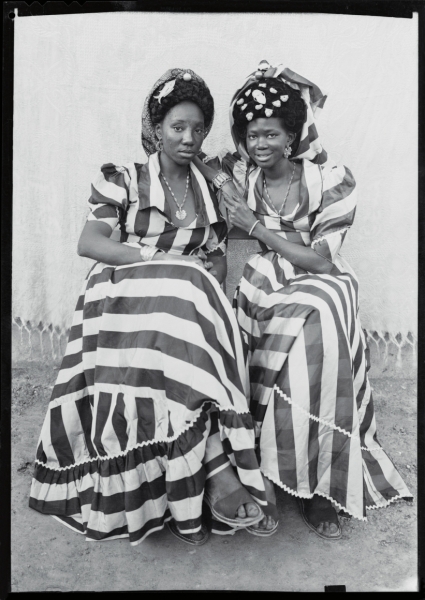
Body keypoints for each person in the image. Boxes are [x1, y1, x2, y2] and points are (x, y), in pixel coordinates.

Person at [29, 68, 268, 547]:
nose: (188, 137)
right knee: (185, 284)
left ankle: (202, 465)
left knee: (194, 293)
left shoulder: (210, 189)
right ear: (156, 129)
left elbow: (217, 259)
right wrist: (161, 260)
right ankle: (218, 467)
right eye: (178, 127)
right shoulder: (123, 178)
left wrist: (201, 276)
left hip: (181, 304)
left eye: (198, 129)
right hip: (120, 295)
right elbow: (90, 242)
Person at [194, 61, 412, 539]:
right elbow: (190, 155)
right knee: (291, 321)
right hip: (265, 277)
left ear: (292, 137)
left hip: (320, 275)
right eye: (252, 136)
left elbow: (319, 262)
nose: (261, 144)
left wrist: (253, 226)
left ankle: (318, 487)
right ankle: (268, 471)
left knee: (323, 317)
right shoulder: (240, 174)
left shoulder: (329, 179)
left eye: (271, 134)